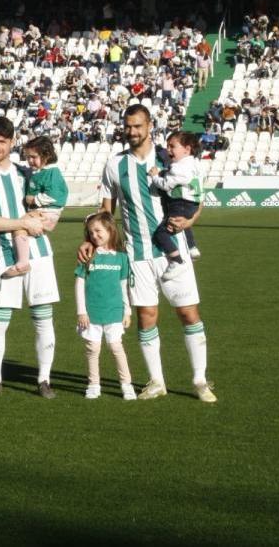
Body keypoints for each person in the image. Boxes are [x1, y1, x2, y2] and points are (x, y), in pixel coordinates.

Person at [87, 104, 215, 403]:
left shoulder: (169, 157)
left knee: (188, 313)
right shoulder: (114, 165)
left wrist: (192, 220)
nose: (132, 131)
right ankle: (156, 381)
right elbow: (106, 212)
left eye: (137, 126)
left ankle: (199, 380)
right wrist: (92, 241)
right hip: (137, 253)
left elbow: (196, 196)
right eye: (128, 126)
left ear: (149, 126)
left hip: (173, 248)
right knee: (147, 316)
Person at [0, 117, 57, 399]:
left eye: (2, 141)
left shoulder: (25, 173)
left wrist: (39, 220)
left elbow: (48, 206)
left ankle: (44, 379)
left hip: (39, 253)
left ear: (12, 142)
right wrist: (23, 223)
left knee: (43, 317)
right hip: (0, 255)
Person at [74, 212, 136, 401]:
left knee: (116, 347)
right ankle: (93, 384)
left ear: (110, 230)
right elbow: (79, 284)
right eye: (91, 233)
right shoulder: (88, 256)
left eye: (98, 231)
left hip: (114, 312)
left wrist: (127, 311)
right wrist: (81, 311)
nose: (94, 236)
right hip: (92, 313)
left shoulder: (121, 258)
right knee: (92, 349)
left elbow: (124, 286)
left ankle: (126, 385)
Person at [5, 136, 68, 278]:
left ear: (46, 155)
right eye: (27, 157)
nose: (30, 161)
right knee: (19, 227)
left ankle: (22, 264)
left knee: (19, 226)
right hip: (41, 211)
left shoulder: (52, 172)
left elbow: (57, 196)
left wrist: (34, 200)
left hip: (47, 213)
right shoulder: (39, 171)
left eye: (33, 157)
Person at [148, 132, 203, 281]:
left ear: (187, 149)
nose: (168, 150)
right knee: (184, 223)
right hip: (193, 203)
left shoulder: (179, 168)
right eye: (167, 146)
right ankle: (192, 248)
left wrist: (155, 176)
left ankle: (177, 260)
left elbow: (166, 185)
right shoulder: (196, 164)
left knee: (161, 234)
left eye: (172, 146)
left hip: (181, 203)